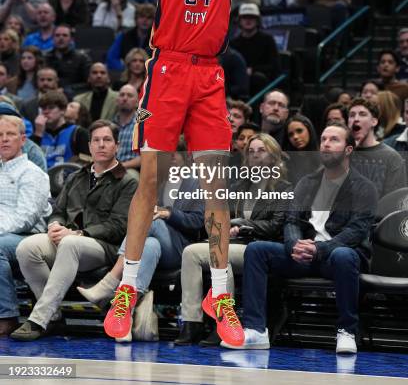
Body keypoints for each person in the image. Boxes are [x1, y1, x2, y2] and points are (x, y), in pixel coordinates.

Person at [103, 0, 246, 347]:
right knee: (151, 177)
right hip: (165, 71)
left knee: (216, 186)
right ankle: (129, 287)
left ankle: (221, 293)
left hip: (209, 77)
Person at [228, 122, 378, 353]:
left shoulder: (364, 187)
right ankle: (256, 330)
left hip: (334, 257)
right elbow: (292, 222)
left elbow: (356, 231)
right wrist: (294, 245)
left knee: (345, 254)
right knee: (257, 250)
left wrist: (320, 249)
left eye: (334, 140)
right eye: (324, 139)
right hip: (302, 255)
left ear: (348, 149)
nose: (326, 144)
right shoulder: (307, 183)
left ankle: (347, 330)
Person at [11, 120, 136, 341]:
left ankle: (39, 319)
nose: (101, 145)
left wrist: (79, 234)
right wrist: (55, 226)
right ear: (89, 146)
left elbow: (118, 227)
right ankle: (54, 315)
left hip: (102, 247)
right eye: (96, 140)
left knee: (70, 244)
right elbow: (58, 210)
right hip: (68, 240)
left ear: (116, 145)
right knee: (26, 247)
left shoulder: (127, 181)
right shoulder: (77, 177)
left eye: (107, 140)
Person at [175, 133, 290, 345]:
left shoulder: (284, 188)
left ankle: (223, 321)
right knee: (191, 252)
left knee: (221, 255)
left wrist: (243, 226)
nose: (255, 155)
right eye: (251, 151)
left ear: (274, 157)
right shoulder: (239, 186)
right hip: (236, 244)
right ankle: (192, 322)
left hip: (261, 247)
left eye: (261, 150)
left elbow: (276, 225)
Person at [77, 143, 205, 332]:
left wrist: (168, 213)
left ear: (186, 157)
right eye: (165, 154)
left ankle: (110, 281)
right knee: (149, 243)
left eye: (174, 154)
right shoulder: (158, 181)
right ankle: (125, 314)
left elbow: (198, 222)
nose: (169, 158)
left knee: (148, 221)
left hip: (180, 247)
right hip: (155, 245)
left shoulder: (196, 182)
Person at [0, 114, 51, 336]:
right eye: (0, 135)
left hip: (29, 237)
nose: (4, 139)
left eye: (10, 134)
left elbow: (25, 218)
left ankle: (7, 315)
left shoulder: (32, 173)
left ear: (22, 140)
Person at [348, 97, 406, 198]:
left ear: (374, 122)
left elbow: (395, 200)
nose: (356, 119)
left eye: (362, 114)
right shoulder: (342, 153)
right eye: (352, 115)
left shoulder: (391, 157)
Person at [231, 3, 280, 95]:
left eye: (252, 17)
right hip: (238, 81)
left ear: (257, 20)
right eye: (245, 17)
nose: (248, 20)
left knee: (257, 79)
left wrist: (253, 70)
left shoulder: (267, 40)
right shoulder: (233, 43)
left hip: (260, 82)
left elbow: (274, 66)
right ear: (239, 20)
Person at [33, 90, 89, 169]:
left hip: (69, 178)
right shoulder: (38, 133)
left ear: (63, 110)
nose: (46, 112)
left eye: (51, 108)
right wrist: (38, 134)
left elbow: (88, 162)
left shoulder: (78, 133)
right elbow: (31, 161)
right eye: (43, 108)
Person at [45, 25, 91, 93]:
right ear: (52, 38)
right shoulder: (46, 57)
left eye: (65, 35)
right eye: (57, 35)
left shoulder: (82, 58)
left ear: (71, 39)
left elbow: (89, 82)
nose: (61, 38)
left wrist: (66, 90)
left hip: (74, 96)